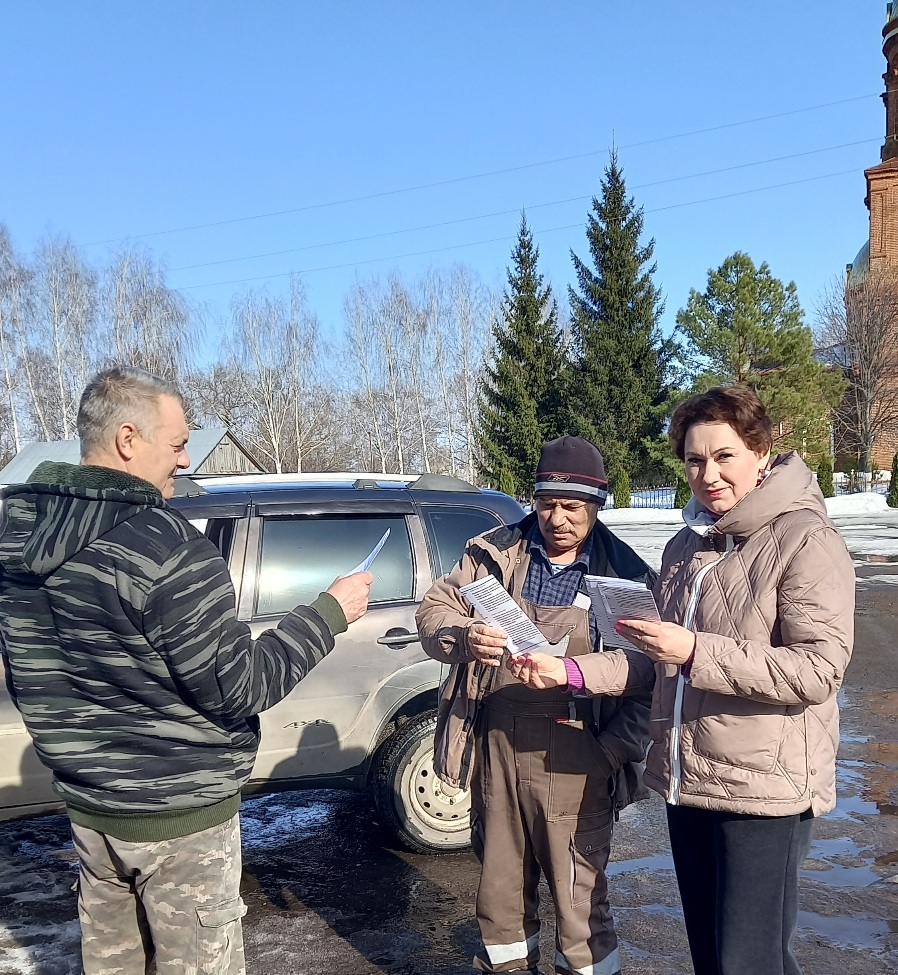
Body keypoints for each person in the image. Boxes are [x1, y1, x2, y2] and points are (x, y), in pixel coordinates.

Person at [0, 366, 373, 975]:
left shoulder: (15, 537)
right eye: (177, 444)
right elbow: (241, 685)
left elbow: (26, 675)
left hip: (90, 812)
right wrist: (328, 613)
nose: (184, 460)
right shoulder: (166, 547)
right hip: (180, 820)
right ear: (127, 439)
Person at [510, 387, 855, 975]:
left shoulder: (805, 539)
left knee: (749, 961)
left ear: (761, 452)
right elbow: (655, 658)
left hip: (763, 790)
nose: (708, 475)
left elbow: (818, 669)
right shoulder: (685, 546)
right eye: (695, 460)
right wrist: (570, 671)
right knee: (710, 957)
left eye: (724, 456)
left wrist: (695, 650)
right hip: (688, 780)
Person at [416, 436, 655, 975]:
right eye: (547, 504)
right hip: (496, 745)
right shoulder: (490, 553)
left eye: (573, 507)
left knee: (580, 906)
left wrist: (608, 753)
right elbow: (432, 613)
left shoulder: (627, 574)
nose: (558, 519)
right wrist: (463, 636)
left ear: (597, 505)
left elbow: (648, 680)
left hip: (579, 755)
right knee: (499, 897)